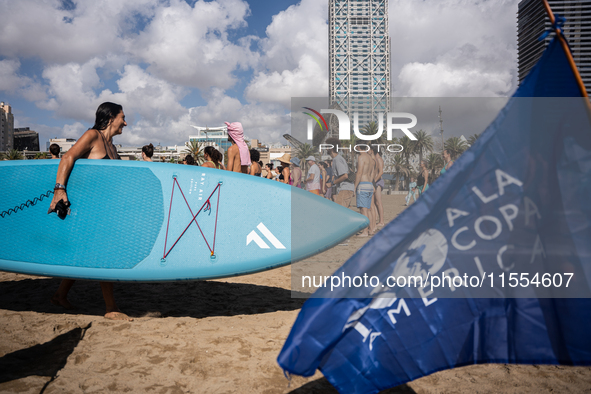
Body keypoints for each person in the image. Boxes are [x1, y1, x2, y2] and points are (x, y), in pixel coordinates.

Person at [48, 102, 132, 321]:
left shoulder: (113, 146)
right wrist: (59, 191)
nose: (126, 121)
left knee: (83, 252)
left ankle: (60, 295)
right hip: (90, 208)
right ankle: (111, 308)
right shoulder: (92, 135)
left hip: (106, 209)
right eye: (122, 117)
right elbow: (68, 157)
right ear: (111, 117)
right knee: (104, 252)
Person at [326, 137, 355, 207]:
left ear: (331, 148)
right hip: (345, 188)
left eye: (327, 146)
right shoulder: (337, 159)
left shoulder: (337, 160)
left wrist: (332, 183)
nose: (326, 148)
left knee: (340, 212)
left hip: (345, 188)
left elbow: (345, 176)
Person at [354, 147, 375, 236]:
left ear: (358, 147)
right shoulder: (371, 158)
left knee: (363, 210)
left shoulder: (361, 157)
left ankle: (365, 231)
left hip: (362, 184)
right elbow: (372, 173)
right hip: (369, 184)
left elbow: (359, 173)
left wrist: (354, 187)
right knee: (368, 209)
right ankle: (370, 230)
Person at [372, 147, 386, 226]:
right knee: (374, 202)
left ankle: (381, 221)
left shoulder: (379, 159)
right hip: (375, 181)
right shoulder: (375, 159)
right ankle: (376, 219)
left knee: (378, 202)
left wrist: (374, 181)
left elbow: (381, 172)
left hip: (378, 182)